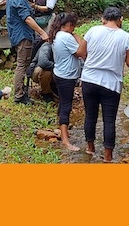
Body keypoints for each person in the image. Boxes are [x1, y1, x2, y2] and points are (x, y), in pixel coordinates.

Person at [76, 7, 129, 163]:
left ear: (103, 18)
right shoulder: (126, 37)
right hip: (111, 84)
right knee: (109, 120)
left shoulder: (92, 30)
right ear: (120, 19)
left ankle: (90, 148)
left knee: (90, 115)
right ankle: (108, 156)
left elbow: (81, 52)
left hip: (89, 79)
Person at [7, 0, 50, 104]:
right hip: (23, 35)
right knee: (22, 64)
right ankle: (19, 95)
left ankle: (22, 91)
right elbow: (27, 19)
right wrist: (42, 33)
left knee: (23, 63)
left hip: (20, 33)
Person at [49, 13, 82, 152]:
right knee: (66, 106)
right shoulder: (67, 37)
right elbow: (81, 52)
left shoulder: (57, 35)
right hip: (66, 76)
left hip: (59, 73)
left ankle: (62, 130)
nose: (74, 28)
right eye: (73, 25)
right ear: (68, 25)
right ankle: (65, 140)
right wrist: (78, 37)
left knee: (63, 102)